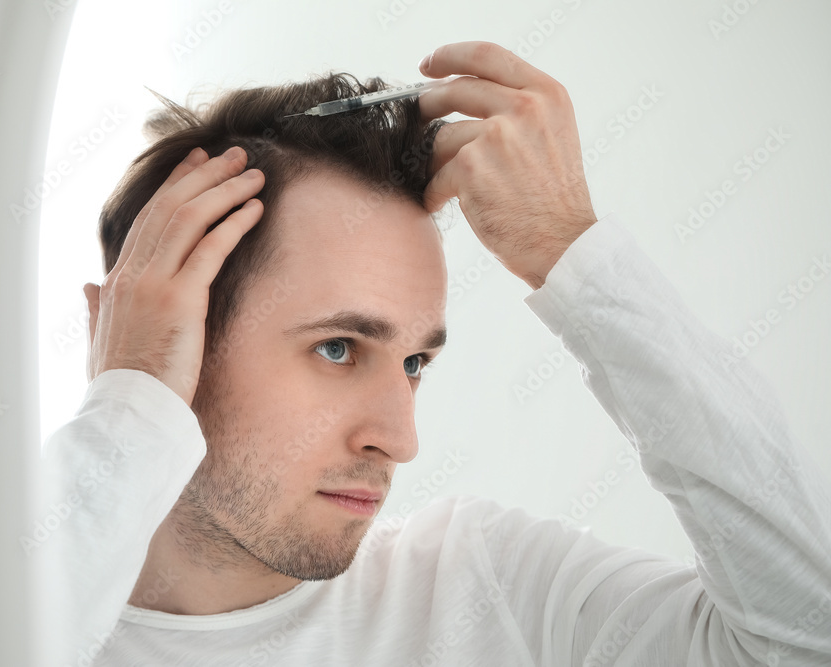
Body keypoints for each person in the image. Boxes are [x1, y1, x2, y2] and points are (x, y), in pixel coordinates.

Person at [40, 41, 831, 665]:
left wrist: (575, 257)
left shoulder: (488, 589)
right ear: (141, 335)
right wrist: (131, 402)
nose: (401, 438)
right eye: (340, 348)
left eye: (415, 362)